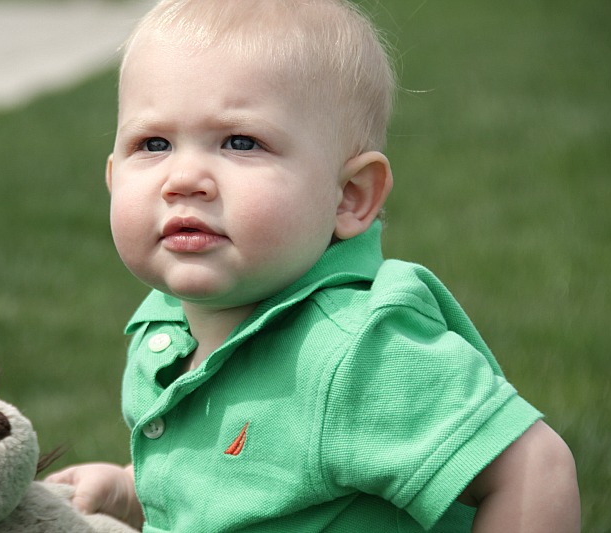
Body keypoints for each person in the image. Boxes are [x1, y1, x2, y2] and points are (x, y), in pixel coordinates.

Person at [47, 0, 581, 530]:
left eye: (240, 142)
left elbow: (536, 466)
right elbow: (237, 487)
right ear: (113, 178)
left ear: (348, 196)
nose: (183, 178)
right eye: (154, 143)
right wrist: (130, 490)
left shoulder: (353, 351)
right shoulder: (165, 329)